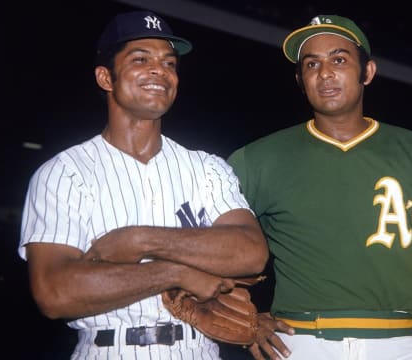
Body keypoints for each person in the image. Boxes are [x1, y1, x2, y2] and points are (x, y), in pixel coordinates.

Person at [18, 9, 268, 359]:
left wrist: (138, 240)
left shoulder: (206, 168)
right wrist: (172, 272)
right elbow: (54, 293)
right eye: (140, 59)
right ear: (106, 78)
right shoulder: (65, 173)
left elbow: (251, 253)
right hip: (110, 348)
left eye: (169, 63)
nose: (159, 71)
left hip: (197, 349)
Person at [227, 14, 412, 360]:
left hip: (398, 343)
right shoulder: (257, 159)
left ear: (367, 72)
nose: (325, 73)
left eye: (339, 60)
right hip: (301, 342)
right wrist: (242, 314)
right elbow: (211, 245)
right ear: (300, 79)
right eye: (312, 64)